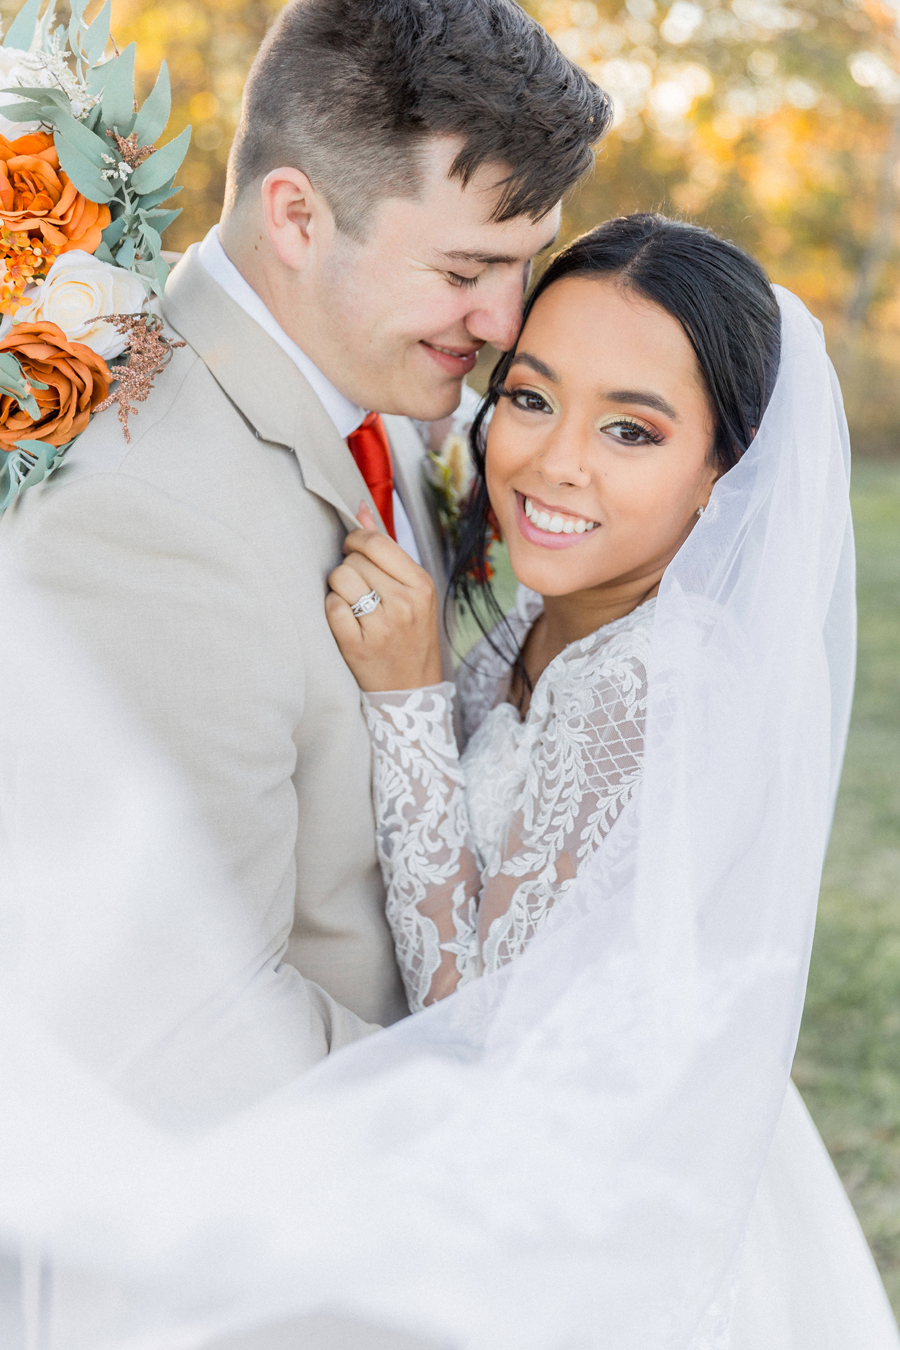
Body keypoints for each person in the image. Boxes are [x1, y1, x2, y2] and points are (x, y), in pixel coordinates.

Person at [325, 214, 900, 1346]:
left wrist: (403, 698)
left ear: (718, 477)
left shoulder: (654, 682)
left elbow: (477, 1021)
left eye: (631, 430)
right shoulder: (567, 611)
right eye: (532, 398)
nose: (554, 460)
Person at [0, 0, 610, 1052]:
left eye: (527, 263)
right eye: (464, 273)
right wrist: (489, 1131)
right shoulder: (144, 517)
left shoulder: (385, 389)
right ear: (296, 218)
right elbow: (181, 1029)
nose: (506, 325)